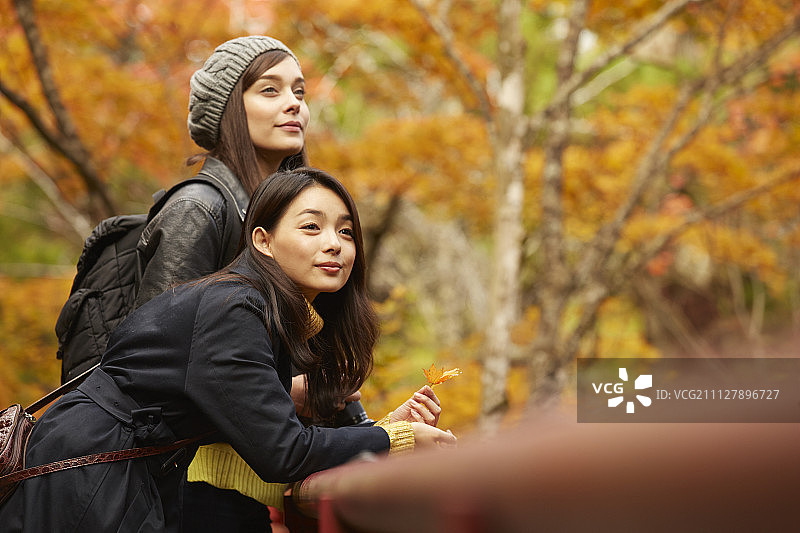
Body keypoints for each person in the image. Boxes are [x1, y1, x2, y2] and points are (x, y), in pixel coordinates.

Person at [0, 167, 457, 532]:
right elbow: (282, 452)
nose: (333, 244)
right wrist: (395, 440)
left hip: (113, 470)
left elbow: (253, 432)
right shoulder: (235, 308)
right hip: (88, 478)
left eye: (345, 232)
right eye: (311, 228)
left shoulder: (259, 310)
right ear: (263, 241)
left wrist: (376, 431)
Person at [131, 35, 442, 530]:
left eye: (299, 91)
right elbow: (159, 367)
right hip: (169, 491)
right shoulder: (201, 208)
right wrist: (291, 395)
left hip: (235, 483)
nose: (294, 102)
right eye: (269, 90)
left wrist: (362, 420)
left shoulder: (293, 219)